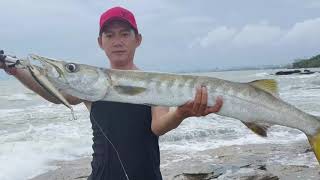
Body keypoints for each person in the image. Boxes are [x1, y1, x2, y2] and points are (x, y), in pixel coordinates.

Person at [0, 6, 223, 180]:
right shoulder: (91, 84)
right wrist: (14, 69)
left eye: (125, 34)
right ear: (100, 42)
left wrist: (180, 114)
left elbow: (158, 126)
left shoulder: (152, 83)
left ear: (138, 39)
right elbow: (57, 96)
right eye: (109, 36)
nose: (117, 42)